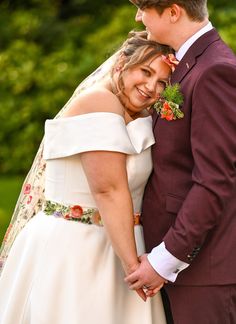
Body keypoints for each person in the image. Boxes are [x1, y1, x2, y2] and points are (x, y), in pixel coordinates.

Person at [0, 31, 173, 324]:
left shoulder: (141, 113)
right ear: (122, 63)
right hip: (74, 248)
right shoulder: (97, 101)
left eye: (162, 82)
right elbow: (108, 189)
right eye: (145, 71)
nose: (151, 87)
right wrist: (134, 268)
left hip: (119, 243)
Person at [126, 1, 236, 323]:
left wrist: (164, 259)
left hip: (205, 271)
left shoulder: (215, 70)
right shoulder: (185, 63)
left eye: (143, 7)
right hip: (185, 270)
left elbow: (214, 181)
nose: (137, 16)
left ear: (173, 12)